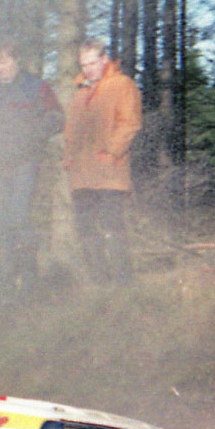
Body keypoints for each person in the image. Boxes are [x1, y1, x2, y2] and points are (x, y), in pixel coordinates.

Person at [0, 41, 64, 297]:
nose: (1, 67)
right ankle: (5, 288)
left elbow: (56, 118)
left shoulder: (36, 87)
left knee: (20, 217)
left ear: (16, 60)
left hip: (26, 162)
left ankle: (30, 281)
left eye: (6, 61)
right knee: (4, 223)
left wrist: (32, 136)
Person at [62, 38, 142, 283]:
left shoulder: (122, 85)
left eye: (93, 63)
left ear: (104, 59)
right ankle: (100, 284)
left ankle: (122, 284)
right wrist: (69, 159)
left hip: (110, 173)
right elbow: (71, 133)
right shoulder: (80, 94)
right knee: (86, 231)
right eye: (83, 64)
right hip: (82, 176)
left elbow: (130, 123)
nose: (88, 69)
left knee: (112, 228)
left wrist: (111, 151)